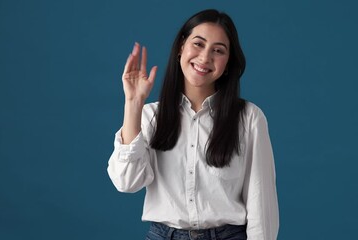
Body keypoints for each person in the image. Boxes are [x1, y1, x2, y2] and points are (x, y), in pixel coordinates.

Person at [107, 9, 279, 240]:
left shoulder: (249, 118)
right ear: (181, 47)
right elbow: (126, 182)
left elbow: (261, 203)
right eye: (198, 44)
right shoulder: (150, 116)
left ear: (227, 63)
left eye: (218, 50)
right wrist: (134, 102)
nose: (205, 57)